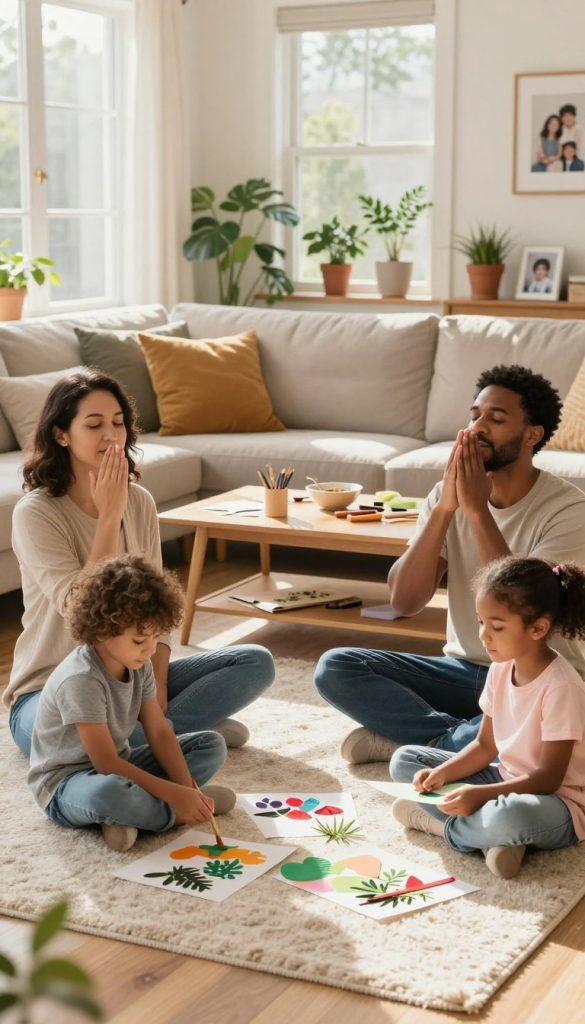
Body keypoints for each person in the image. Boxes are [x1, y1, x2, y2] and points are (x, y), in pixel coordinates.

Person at [314, 364, 585, 764]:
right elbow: (404, 602)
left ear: (532, 434)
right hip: (462, 670)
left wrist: (477, 510)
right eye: (474, 415)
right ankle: (457, 745)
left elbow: (519, 604)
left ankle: (431, 744)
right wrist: (444, 508)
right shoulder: (447, 495)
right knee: (336, 668)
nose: (476, 428)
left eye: (495, 418)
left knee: (562, 712)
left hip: (537, 674)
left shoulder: (568, 510)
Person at [5, 368, 275, 756]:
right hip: (51, 688)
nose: (111, 435)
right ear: (61, 434)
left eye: (118, 423)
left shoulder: (140, 501)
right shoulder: (36, 513)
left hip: (133, 682)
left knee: (255, 663)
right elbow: (79, 613)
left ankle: (156, 736)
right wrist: (109, 515)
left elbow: (159, 613)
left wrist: (158, 686)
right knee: (67, 741)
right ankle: (177, 737)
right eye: (94, 424)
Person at [389, 555, 585, 879]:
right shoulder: (500, 668)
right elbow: (484, 746)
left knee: (512, 818)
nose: (483, 635)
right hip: (504, 778)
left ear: (538, 628)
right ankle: (492, 841)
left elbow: (549, 779)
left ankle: (439, 827)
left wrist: (479, 795)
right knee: (405, 761)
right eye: (481, 622)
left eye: (496, 626)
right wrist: (442, 772)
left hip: (559, 803)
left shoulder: (562, 687)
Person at [28, 554, 235, 852]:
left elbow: (159, 731)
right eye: (140, 641)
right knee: (110, 793)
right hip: (66, 784)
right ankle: (167, 813)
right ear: (102, 630)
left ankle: (137, 814)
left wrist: (185, 787)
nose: (150, 649)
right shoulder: (81, 679)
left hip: (121, 764)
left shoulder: (138, 663)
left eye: (155, 637)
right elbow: (105, 763)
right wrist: (175, 797)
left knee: (210, 744)